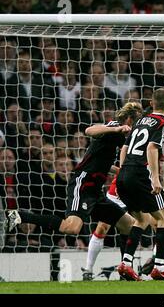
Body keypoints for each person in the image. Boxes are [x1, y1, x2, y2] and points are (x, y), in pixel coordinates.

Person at [5, 103, 144, 251]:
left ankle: (125, 268)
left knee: (128, 225)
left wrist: (120, 171)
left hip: (95, 192)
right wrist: (116, 128)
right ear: (129, 120)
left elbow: (101, 163)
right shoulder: (114, 127)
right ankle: (18, 216)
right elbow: (89, 130)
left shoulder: (118, 136)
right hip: (83, 183)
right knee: (71, 228)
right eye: (136, 123)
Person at [116, 88, 164, 281]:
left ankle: (126, 264)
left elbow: (125, 148)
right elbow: (152, 147)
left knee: (142, 219)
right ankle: (160, 267)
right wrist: (155, 178)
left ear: (151, 103)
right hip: (141, 176)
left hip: (125, 175)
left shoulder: (139, 122)